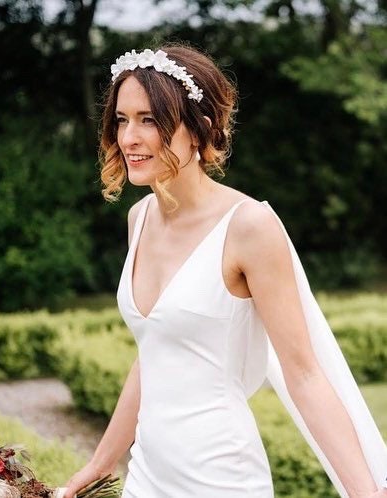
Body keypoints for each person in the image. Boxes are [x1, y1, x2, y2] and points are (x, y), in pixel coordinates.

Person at [64, 44, 387, 498]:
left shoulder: (249, 226)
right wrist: (98, 465)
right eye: (122, 119)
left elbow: (305, 375)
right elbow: (155, 353)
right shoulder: (138, 220)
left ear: (200, 129)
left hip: (221, 478)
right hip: (147, 477)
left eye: (150, 120)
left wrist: (368, 494)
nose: (129, 137)